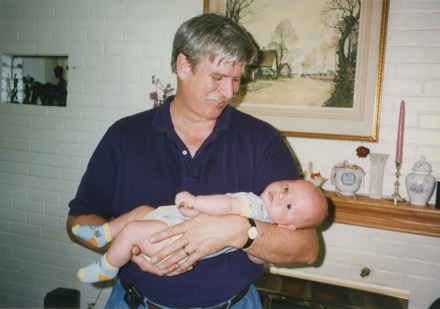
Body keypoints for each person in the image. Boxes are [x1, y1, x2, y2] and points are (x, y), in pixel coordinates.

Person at [67, 13, 320, 309]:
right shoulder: (124, 135)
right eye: (218, 77)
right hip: (133, 302)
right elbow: (78, 221)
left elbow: (308, 248)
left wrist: (240, 231)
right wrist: (130, 248)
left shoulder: (263, 141)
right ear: (184, 66)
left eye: (236, 79)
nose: (230, 92)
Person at [73, 179, 328, 283]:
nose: (280, 195)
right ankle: (102, 234)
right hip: (172, 226)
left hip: (172, 238)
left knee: (132, 229)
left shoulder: (254, 205)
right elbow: (255, 255)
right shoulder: (264, 219)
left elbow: (225, 204)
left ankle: (107, 267)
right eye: (286, 187)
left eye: (289, 205)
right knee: (141, 212)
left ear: (287, 226)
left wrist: (196, 201)